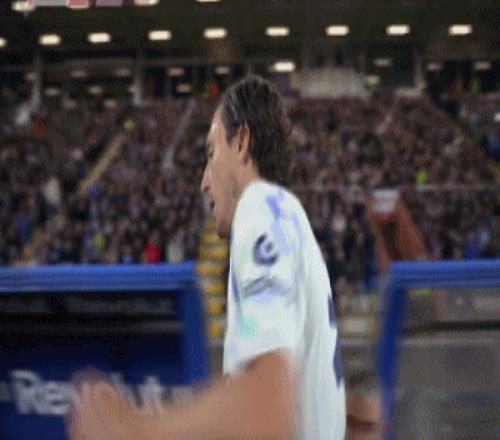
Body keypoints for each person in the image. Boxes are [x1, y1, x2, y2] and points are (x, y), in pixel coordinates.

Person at [69, 75, 346, 439]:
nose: (203, 181)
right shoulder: (287, 217)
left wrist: (135, 430)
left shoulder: (259, 207)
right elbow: (284, 398)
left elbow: (267, 411)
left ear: (242, 143)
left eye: (212, 153)